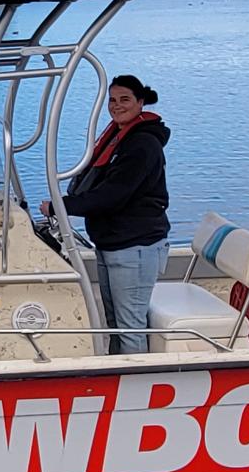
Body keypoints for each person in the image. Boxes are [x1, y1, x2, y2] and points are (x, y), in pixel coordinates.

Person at [56, 74, 170, 355]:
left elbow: (113, 195)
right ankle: (118, 377)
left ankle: (139, 390)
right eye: (113, 100)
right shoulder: (119, 138)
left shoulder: (142, 144)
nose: (117, 106)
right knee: (115, 324)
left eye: (125, 100)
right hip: (112, 243)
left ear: (141, 102)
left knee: (130, 328)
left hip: (135, 246)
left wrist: (64, 206)